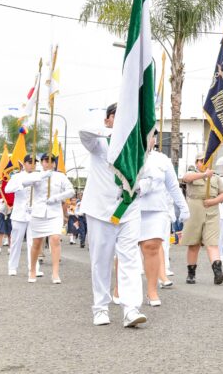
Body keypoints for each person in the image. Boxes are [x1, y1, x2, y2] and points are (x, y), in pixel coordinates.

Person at [79, 103, 147, 328]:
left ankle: (131, 308)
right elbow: (83, 131)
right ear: (107, 120)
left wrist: (142, 185)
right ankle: (100, 308)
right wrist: (115, 132)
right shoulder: (98, 143)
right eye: (118, 116)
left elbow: (144, 175)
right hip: (100, 210)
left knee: (130, 257)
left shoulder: (136, 146)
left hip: (128, 208)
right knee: (101, 260)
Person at [138, 135, 190, 305]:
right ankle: (120, 290)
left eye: (152, 135)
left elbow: (173, 185)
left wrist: (183, 207)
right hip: (132, 209)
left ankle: (152, 291)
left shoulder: (162, 159)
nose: (149, 138)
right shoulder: (130, 153)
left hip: (156, 210)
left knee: (152, 248)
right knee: (126, 252)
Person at [25, 154, 74, 284]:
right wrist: (39, 176)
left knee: (55, 239)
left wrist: (57, 198)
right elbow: (24, 184)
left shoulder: (60, 176)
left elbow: (71, 191)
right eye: (46, 161)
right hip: (38, 212)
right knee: (36, 243)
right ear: (41, 162)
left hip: (54, 212)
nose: (49, 163)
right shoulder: (36, 175)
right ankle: (32, 270)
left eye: (52, 161)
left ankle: (55, 273)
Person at [182, 158, 223, 284]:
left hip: (212, 211)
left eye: (206, 161)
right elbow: (186, 178)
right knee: (193, 244)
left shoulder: (216, 178)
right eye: (201, 161)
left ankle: (218, 273)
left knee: (212, 243)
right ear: (197, 163)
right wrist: (204, 175)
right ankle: (191, 274)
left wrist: (213, 201)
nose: (204, 163)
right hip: (194, 211)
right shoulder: (192, 173)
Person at [4, 155, 43, 277]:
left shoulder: (39, 176)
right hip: (19, 213)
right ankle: (12, 267)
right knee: (16, 241)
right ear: (25, 164)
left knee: (33, 242)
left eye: (35, 163)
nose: (32, 165)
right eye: (30, 162)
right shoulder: (17, 176)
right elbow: (7, 189)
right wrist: (23, 184)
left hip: (34, 213)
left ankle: (34, 268)